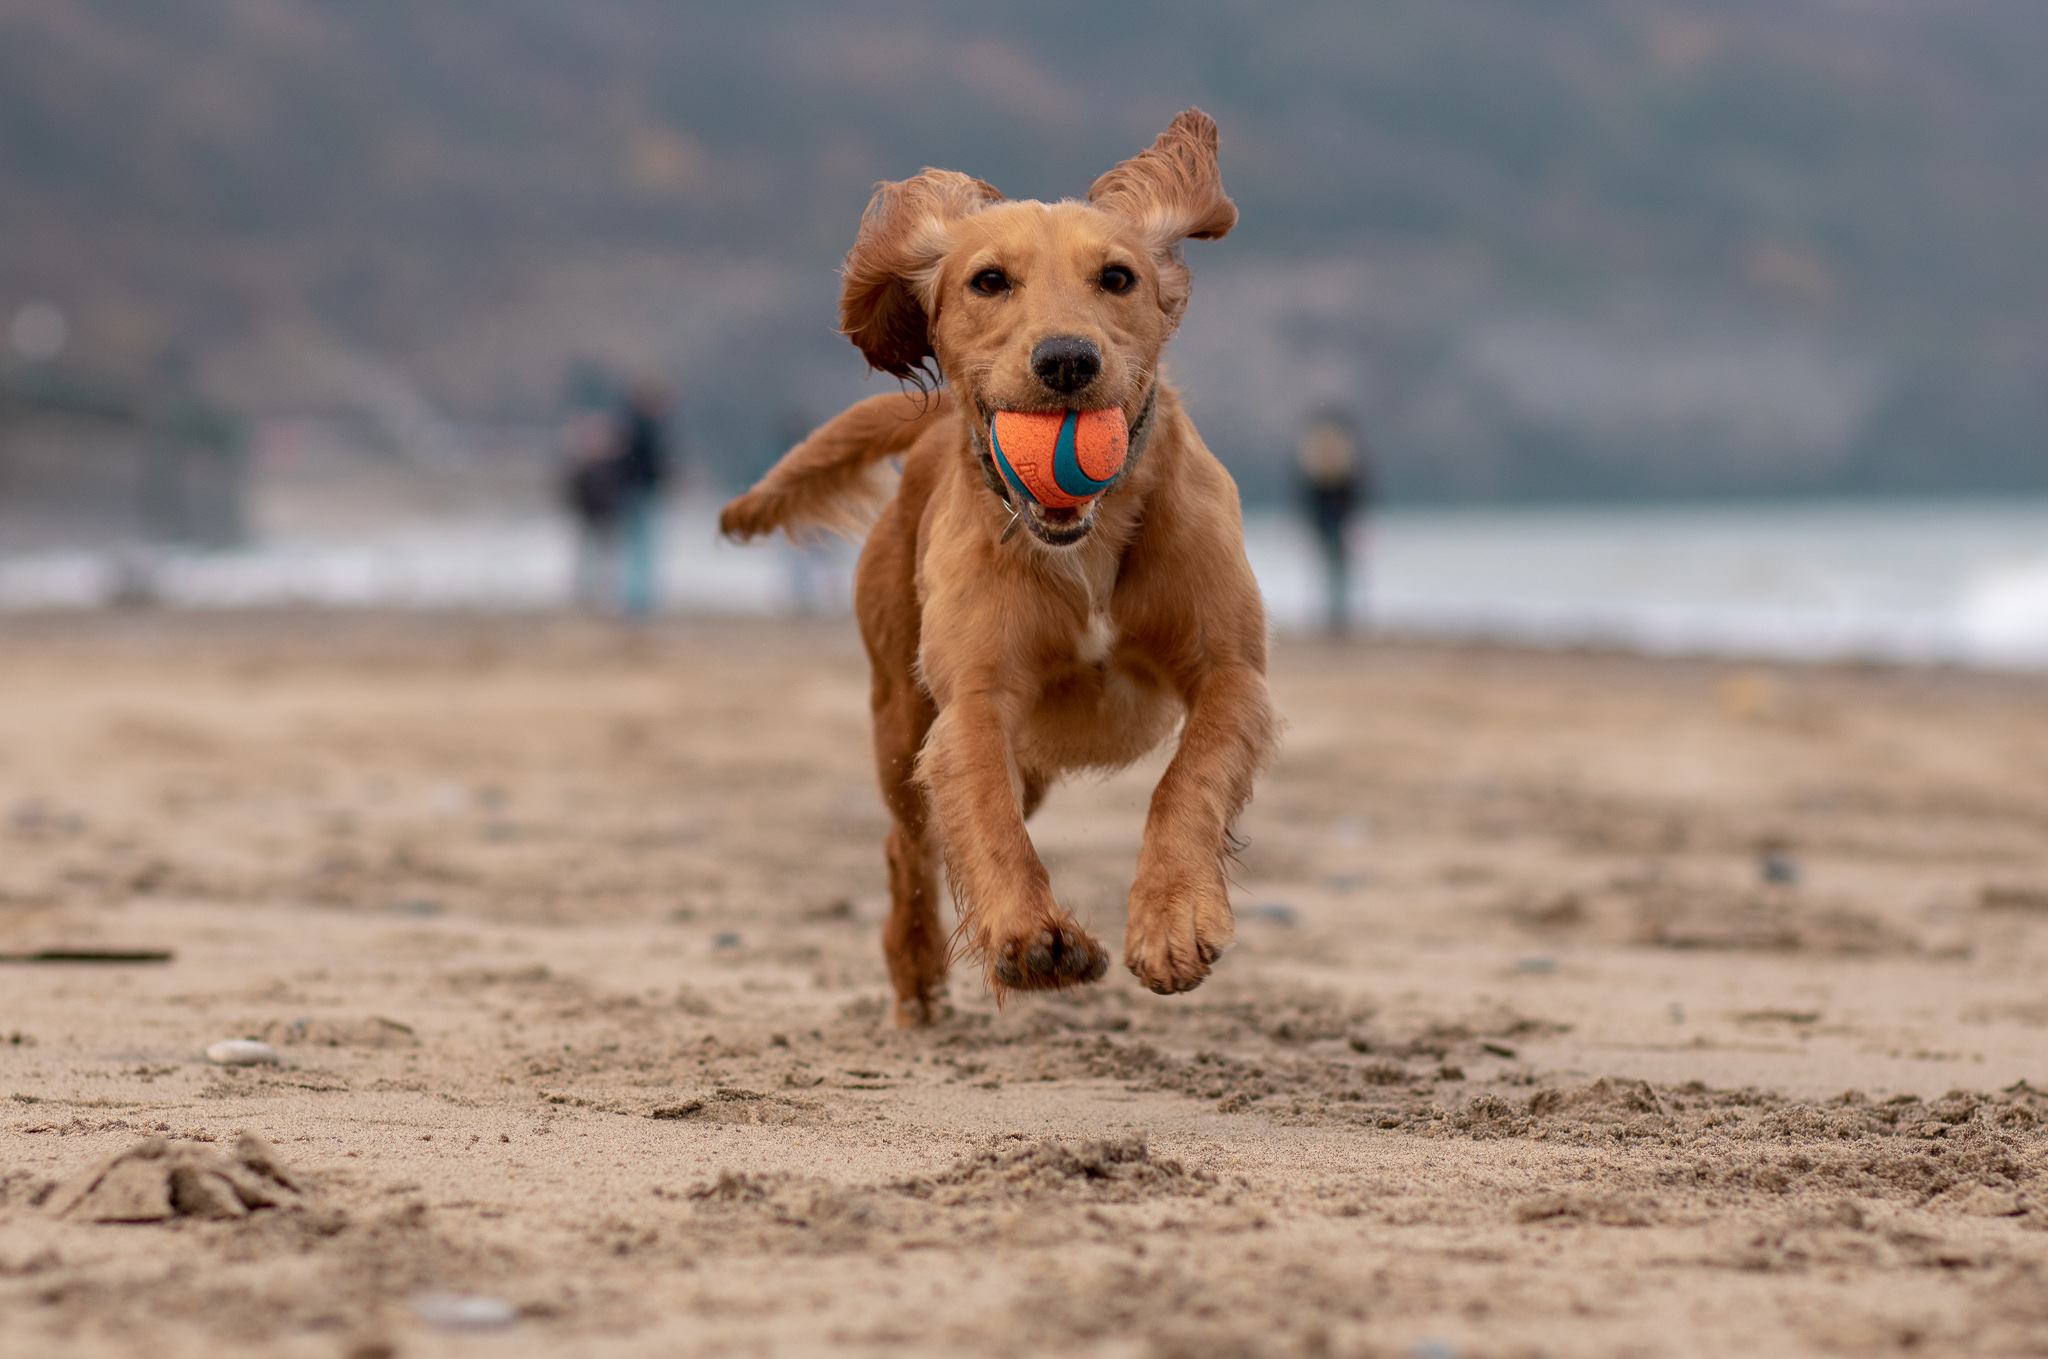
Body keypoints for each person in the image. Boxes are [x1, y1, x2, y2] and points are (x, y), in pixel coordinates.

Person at [1297, 408, 1372, 636]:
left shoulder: (1314, 460)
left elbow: (1307, 498)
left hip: (1328, 524)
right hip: (1337, 524)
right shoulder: (1345, 459)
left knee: (1330, 572)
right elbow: (1356, 496)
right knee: (1339, 573)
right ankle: (1338, 619)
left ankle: (1333, 618)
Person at [613, 376, 676, 617]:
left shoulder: (633, 426)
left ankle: (638, 598)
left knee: (638, 547)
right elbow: (647, 463)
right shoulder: (643, 428)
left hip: (638, 492)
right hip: (639, 493)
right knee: (641, 547)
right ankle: (638, 599)